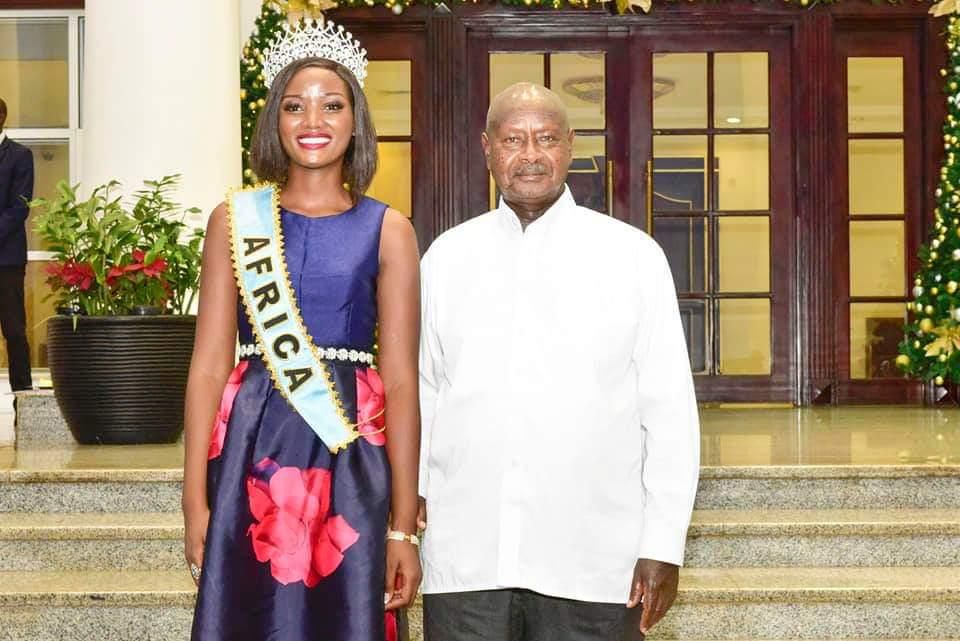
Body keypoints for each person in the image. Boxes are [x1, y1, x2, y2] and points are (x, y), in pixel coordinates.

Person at [417, 83, 700, 641]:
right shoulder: (447, 257)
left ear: (570, 146)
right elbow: (425, 392)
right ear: (487, 148)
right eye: (513, 140)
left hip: (594, 562)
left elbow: (669, 413)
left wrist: (663, 544)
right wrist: (406, 522)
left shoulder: (632, 258)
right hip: (467, 557)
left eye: (546, 139)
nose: (530, 155)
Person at [182, 20, 421, 641]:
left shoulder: (390, 229)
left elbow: (399, 381)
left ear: (355, 120)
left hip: (351, 454)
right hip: (251, 451)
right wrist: (193, 498)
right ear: (275, 122)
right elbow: (208, 366)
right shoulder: (233, 223)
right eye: (295, 105)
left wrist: (402, 524)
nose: (313, 119)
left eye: (332, 104)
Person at [0, 97, 34, 400]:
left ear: (2, 117)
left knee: (13, 329)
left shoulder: (20, 156)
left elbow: (19, 207)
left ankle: (23, 396)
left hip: (6, 260)